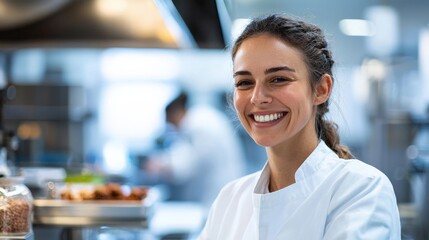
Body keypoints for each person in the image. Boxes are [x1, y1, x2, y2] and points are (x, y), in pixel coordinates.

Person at [198, 14, 401, 239]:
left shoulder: (360, 189)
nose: (257, 97)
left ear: (321, 89)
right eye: (244, 82)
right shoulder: (231, 199)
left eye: (278, 79)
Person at [146, 90, 246, 210]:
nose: (174, 128)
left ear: (175, 113)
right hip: (223, 185)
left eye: (172, 124)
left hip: (217, 190)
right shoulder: (201, 116)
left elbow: (186, 165)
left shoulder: (196, 124)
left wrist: (161, 165)